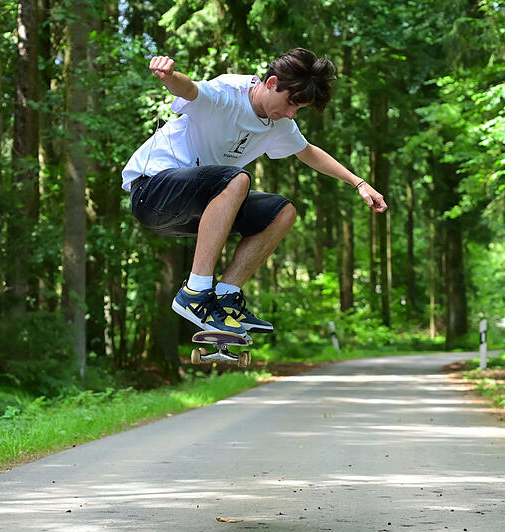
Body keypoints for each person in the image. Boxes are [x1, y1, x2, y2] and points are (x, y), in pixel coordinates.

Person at [121, 48, 387, 340]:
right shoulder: (228, 93)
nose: (291, 114)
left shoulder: (279, 124)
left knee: (282, 212)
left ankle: (226, 297)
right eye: (291, 103)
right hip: (152, 191)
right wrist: (169, 75)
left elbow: (307, 151)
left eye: (299, 109)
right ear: (272, 83)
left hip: (194, 209)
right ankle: (195, 293)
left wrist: (359, 183)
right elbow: (191, 89)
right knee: (236, 179)